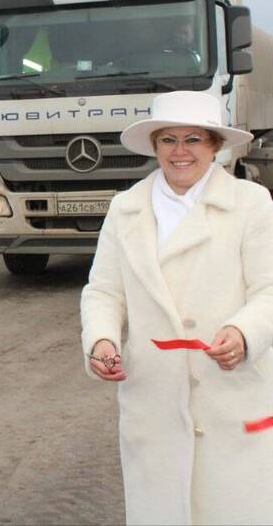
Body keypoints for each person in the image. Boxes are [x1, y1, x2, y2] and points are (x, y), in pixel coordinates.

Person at [80, 90, 273, 525]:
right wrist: (102, 340)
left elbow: (269, 289)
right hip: (155, 404)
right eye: (168, 139)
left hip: (231, 401)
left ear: (215, 145)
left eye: (193, 140)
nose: (180, 152)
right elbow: (103, 291)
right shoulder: (125, 208)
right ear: (154, 145)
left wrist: (244, 333)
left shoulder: (251, 204)